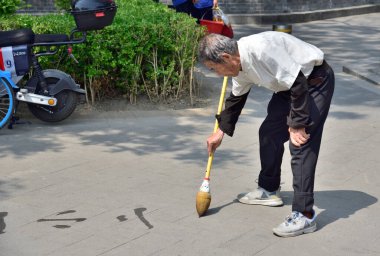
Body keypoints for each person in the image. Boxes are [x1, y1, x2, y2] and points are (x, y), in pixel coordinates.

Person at [198, 32, 334, 237]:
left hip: (313, 81)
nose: (218, 75)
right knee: (269, 132)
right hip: (289, 86)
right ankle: (269, 190)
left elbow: (298, 83)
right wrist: (220, 132)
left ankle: (305, 214)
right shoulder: (239, 66)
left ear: (226, 58)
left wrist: (297, 124)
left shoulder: (261, 49)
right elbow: (236, 99)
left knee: (300, 143)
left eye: (214, 69)